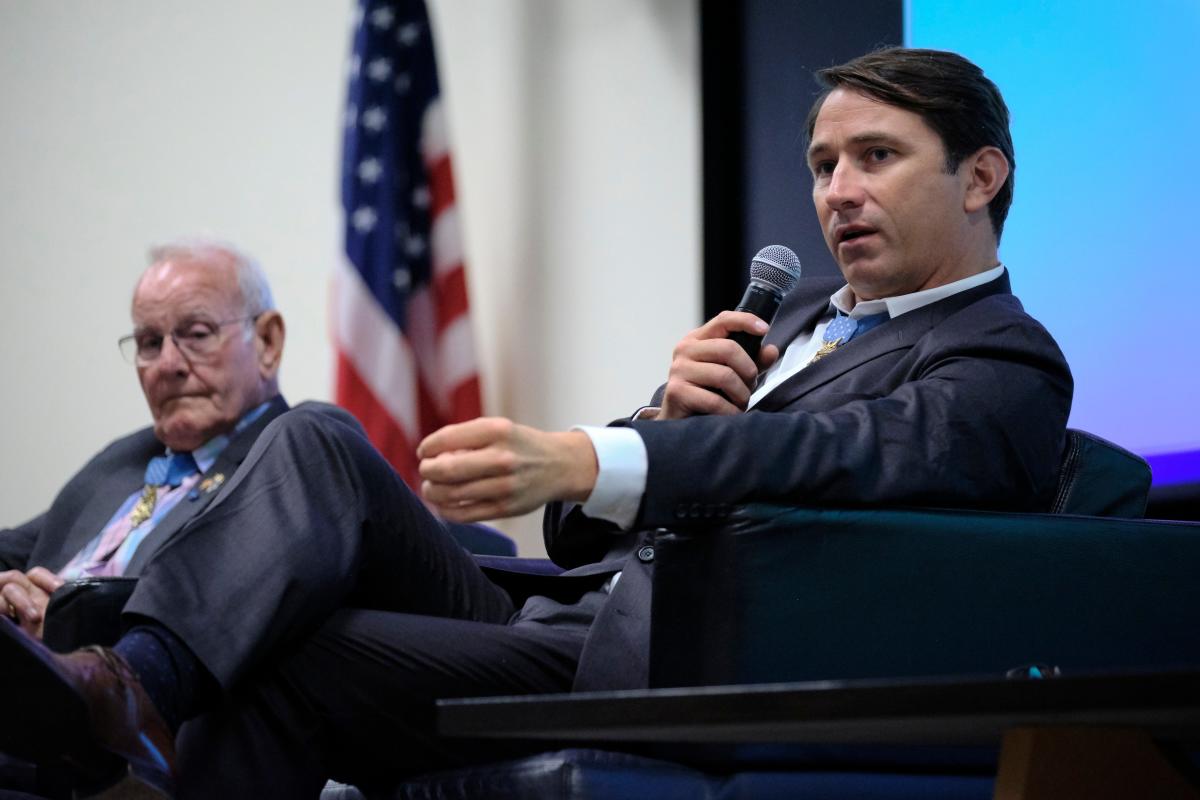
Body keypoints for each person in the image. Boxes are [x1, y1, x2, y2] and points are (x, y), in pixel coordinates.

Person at [0, 46, 1072, 798]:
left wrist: (596, 450)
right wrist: (662, 414)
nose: (837, 190)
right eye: (823, 165)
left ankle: (122, 730)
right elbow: (576, 533)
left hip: (681, 663)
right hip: (558, 619)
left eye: (875, 157)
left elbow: (840, 453)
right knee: (320, 433)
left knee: (303, 651)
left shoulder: (1002, 358)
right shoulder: (788, 324)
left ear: (980, 174)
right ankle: (136, 681)